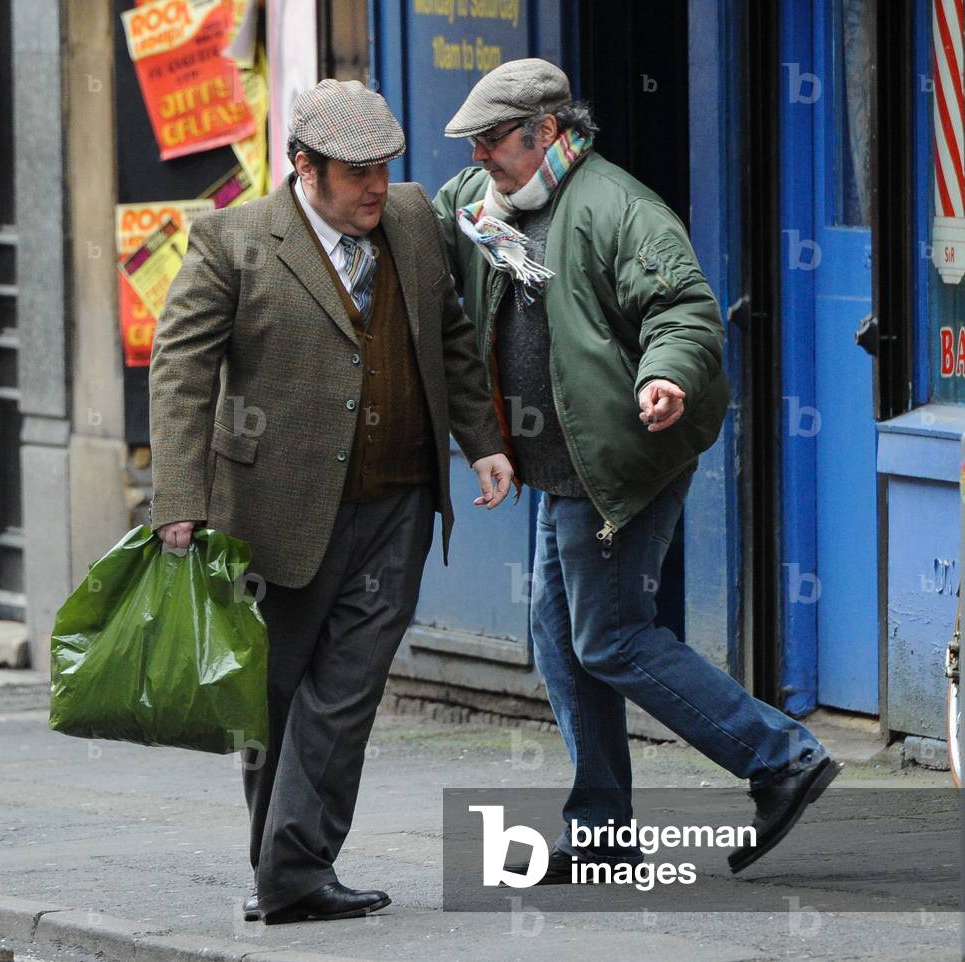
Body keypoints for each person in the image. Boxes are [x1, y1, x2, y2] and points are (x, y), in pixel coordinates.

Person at [434, 58, 838, 883]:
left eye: (491, 140)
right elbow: (419, 221)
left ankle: (780, 757)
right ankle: (600, 831)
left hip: (618, 456)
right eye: (471, 142)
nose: (478, 156)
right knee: (560, 640)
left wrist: (666, 375)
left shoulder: (619, 208)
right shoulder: (483, 205)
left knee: (610, 636)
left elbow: (682, 310)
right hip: (557, 463)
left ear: (546, 130)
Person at [148, 79, 513, 922]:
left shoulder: (415, 219)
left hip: (396, 505)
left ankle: (296, 871)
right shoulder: (230, 240)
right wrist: (179, 497)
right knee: (272, 698)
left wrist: (482, 441)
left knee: (345, 692)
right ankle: (283, 871)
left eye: (384, 169)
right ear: (304, 168)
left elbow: (451, 335)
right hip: (273, 511)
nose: (376, 190)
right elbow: (182, 375)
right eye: (356, 175)